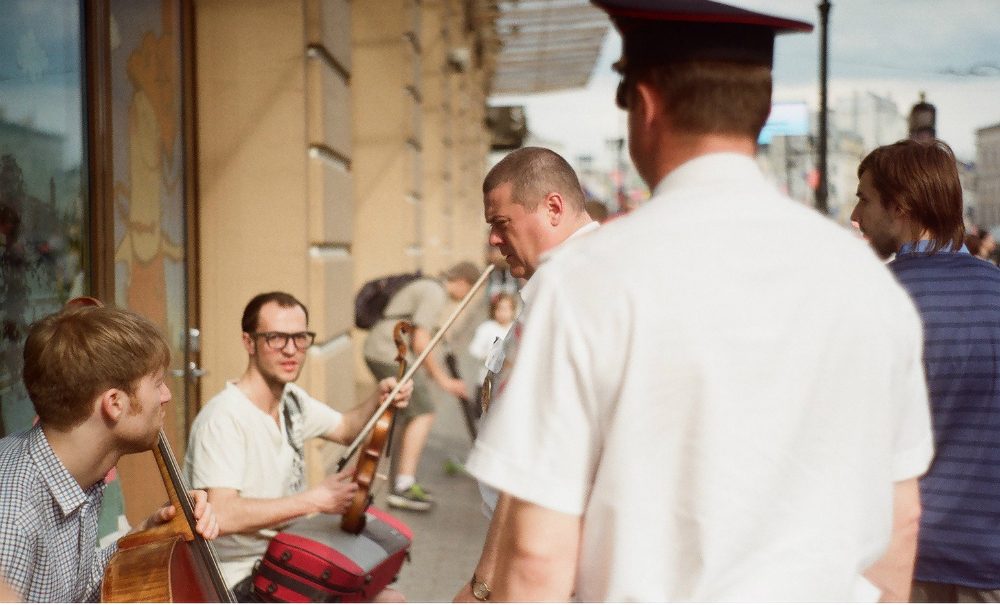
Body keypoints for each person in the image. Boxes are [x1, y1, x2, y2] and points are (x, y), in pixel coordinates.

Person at [464, 1, 935, 601]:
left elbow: (538, 551)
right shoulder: (868, 283)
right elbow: (901, 518)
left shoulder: (584, 282)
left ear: (647, 107)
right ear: (761, 112)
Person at [184, 291, 413, 597]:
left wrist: (379, 398)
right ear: (249, 342)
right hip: (238, 578)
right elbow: (222, 515)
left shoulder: (291, 400)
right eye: (276, 338)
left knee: (384, 581)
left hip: (288, 556)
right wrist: (314, 501)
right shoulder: (223, 418)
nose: (291, 350)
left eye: (300, 338)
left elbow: (345, 428)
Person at [851, 139, 1000, 602]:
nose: (856, 216)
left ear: (898, 206)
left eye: (864, 199)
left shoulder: (874, 300)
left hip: (903, 565)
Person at [454, 146, 597, 602]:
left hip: (551, 563)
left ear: (553, 207)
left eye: (501, 223)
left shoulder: (572, 289)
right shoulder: (566, 282)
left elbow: (530, 457)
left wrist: (485, 584)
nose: (494, 240)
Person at [0, 305, 219, 602]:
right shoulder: (13, 514)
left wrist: (146, 537)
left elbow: (71, 591)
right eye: (157, 383)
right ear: (114, 403)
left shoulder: (76, 474)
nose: (166, 395)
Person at [363, 262, 478, 511]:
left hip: (383, 350)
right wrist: (444, 380)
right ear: (463, 282)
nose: (465, 299)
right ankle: (403, 486)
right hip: (389, 353)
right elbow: (420, 341)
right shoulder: (434, 292)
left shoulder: (429, 287)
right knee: (423, 412)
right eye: (469, 292)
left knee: (402, 413)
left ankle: (382, 478)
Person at [467, 293, 518, 383]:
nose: (503, 312)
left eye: (506, 309)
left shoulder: (516, 328)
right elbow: (474, 350)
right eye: (499, 309)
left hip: (510, 381)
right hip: (488, 379)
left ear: (513, 310)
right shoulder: (486, 328)